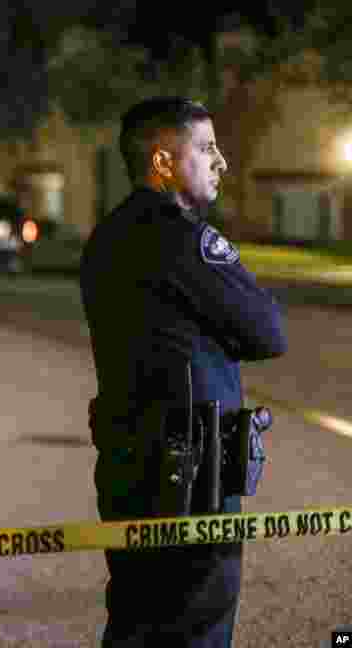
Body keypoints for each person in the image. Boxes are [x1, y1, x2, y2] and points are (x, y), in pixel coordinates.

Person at [80, 97, 288, 647]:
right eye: (206, 147)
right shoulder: (182, 240)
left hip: (128, 465)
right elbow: (268, 331)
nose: (221, 161)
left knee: (136, 621)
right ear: (163, 161)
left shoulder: (107, 239)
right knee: (195, 626)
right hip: (193, 477)